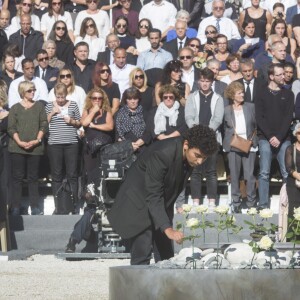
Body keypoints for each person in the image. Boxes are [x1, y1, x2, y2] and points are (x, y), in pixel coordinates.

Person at [108, 124, 219, 265]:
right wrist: (167, 228)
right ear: (186, 144)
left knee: (166, 256)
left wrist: (166, 224)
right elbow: (154, 193)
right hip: (138, 201)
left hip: (159, 203)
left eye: (204, 158)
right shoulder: (163, 153)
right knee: (142, 253)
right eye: (197, 156)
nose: (199, 162)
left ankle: (165, 286)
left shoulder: (189, 156)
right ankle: (138, 287)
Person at [255, 63, 294, 209]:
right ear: (271, 76)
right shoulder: (260, 93)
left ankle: (288, 203)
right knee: (264, 171)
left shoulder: (288, 94)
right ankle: (263, 205)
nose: (283, 77)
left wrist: (278, 137)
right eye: (279, 75)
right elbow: (260, 118)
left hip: (284, 138)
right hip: (265, 137)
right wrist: (271, 136)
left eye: (284, 74)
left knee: (286, 171)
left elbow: (288, 118)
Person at [185, 68, 224, 208]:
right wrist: (198, 134)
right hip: (195, 140)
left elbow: (217, 119)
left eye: (208, 81)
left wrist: (206, 134)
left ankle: (212, 201)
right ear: (198, 82)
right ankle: (196, 201)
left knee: (211, 171)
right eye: (202, 81)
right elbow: (189, 117)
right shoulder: (192, 97)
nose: (205, 84)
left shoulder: (218, 98)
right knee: (196, 171)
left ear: (212, 82)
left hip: (212, 139)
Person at [7, 81, 48, 216]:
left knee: (33, 177)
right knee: (17, 178)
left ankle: (35, 207)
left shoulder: (39, 106)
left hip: (35, 148)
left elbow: (44, 124)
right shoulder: (15, 108)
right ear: (23, 92)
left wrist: (37, 140)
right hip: (17, 148)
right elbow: (11, 127)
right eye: (30, 90)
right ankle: (16, 207)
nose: (33, 92)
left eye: (34, 90)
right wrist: (19, 142)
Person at [46, 83, 81, 214]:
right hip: (54, 144)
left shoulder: (73, 104)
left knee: (72, 174)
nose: (60, 100)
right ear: (55, 95)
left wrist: (71, 121)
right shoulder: (50, 105)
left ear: (67, 95)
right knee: (56, 176)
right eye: (58, 97)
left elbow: (79, 122)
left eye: (63, 97)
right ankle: (59, 205)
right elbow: (44, 122)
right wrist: (52, 112)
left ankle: (74, 205)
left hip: (71, 143)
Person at [223, 81, 258, 212]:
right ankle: (236, 203)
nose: (242, 95)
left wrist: (254, 140)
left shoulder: (250, 106)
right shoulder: (227, 110)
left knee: (249, 176)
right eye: (239, 93)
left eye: (242, 92)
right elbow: (224, 128)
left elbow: (255, 125)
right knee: (235, 175)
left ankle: (251, 203)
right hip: (233, 145)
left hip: (249, 144)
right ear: (233, 96)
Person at [81, 87, 114, 182]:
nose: (97, 100)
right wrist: (94, 111)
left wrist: (95, 126)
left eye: (99, 98)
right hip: (90, 148)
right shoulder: (86, 111)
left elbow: (110, 126)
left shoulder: (107, 113)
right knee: (91, 172)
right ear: (90, 99)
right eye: (94, 98)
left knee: (103, 172)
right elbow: (84, 123)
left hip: (103, 147)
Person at [115, 87, 150, 153]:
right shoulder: (119, 114)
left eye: (135, 98)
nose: (133, 101)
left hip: (142, 149)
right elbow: (117, 135)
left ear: (138, 99)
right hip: (124, 149)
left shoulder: (145, 113)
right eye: (129, 99)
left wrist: (136, 144)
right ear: (126, 100)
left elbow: (148, 133)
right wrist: (129, 145)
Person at [285, 123, 300, 218]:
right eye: (299, 132)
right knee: (294, 210)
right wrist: (298, 176)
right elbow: (288, 168)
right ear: (295, 134)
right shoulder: (290, 149)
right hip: (293, 182)